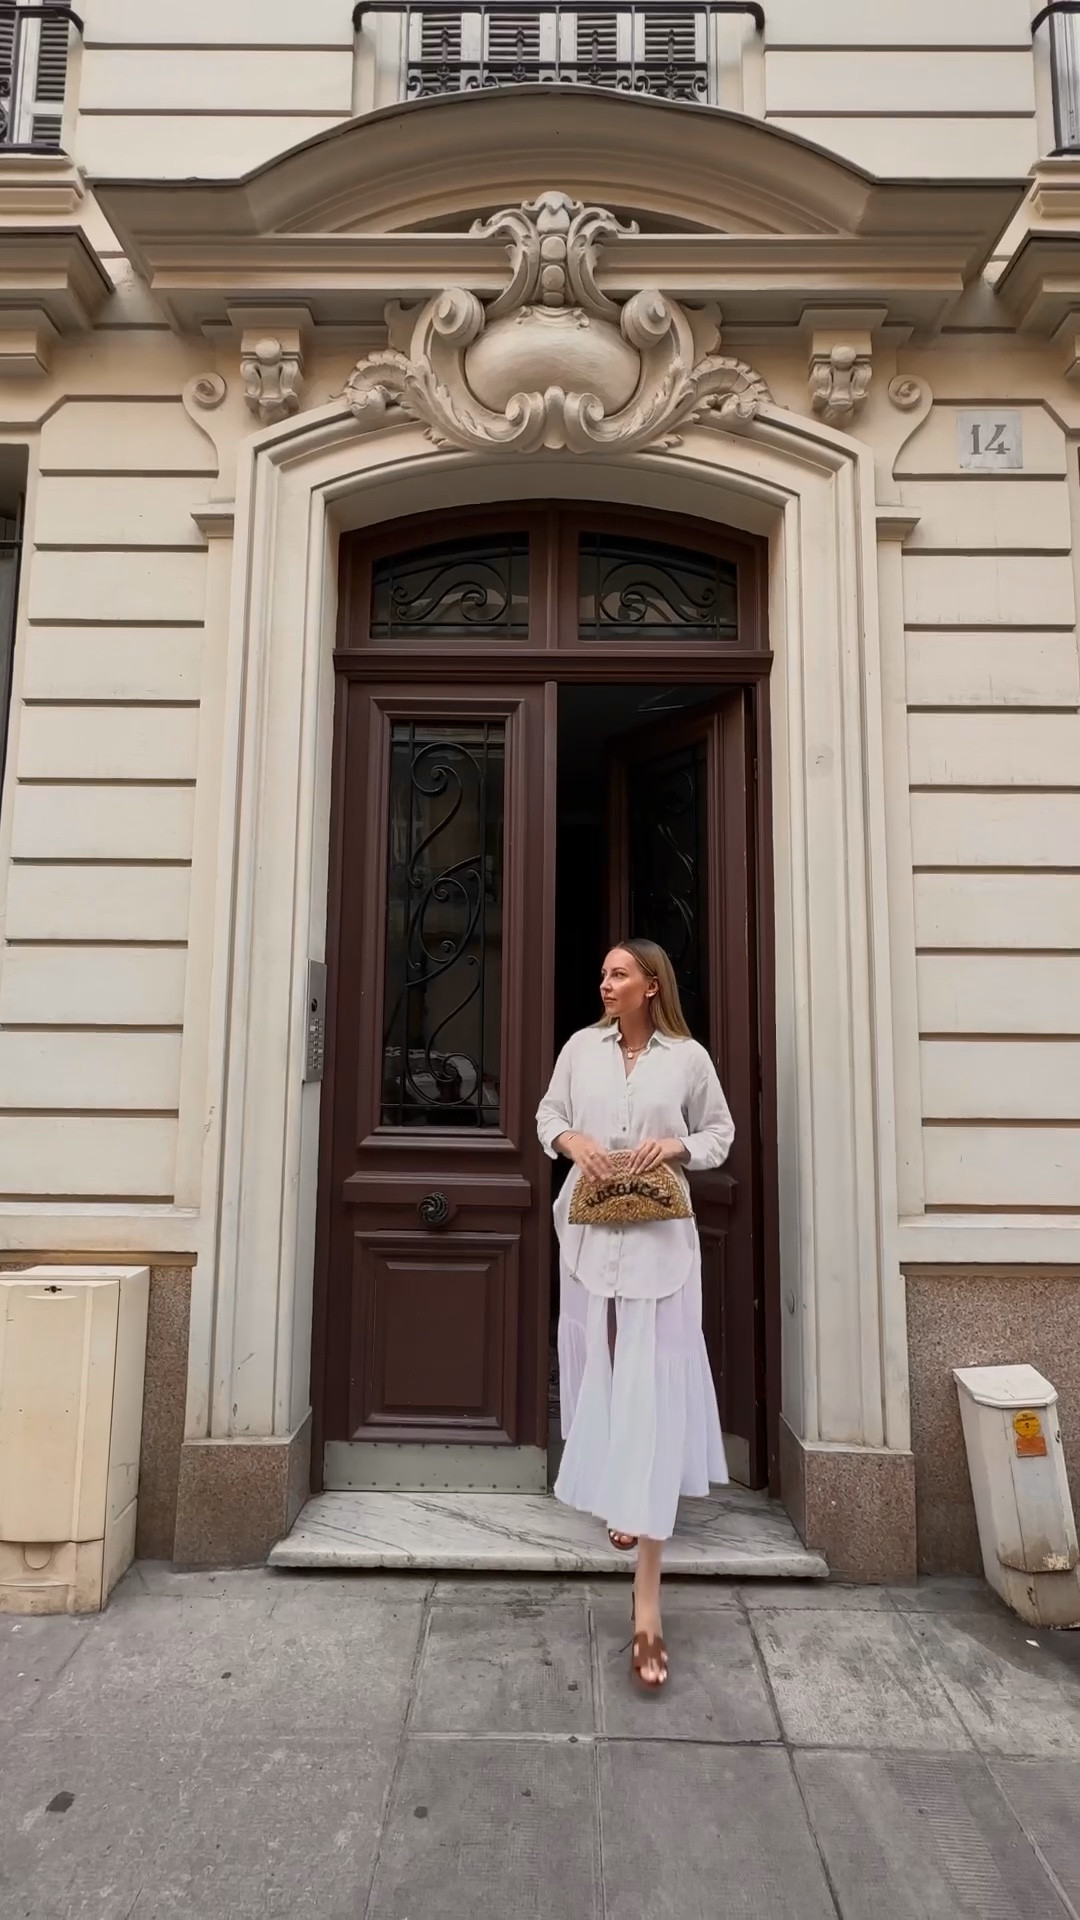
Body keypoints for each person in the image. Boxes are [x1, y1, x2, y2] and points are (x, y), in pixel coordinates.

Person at [536, 938, 735, 1692]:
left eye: (618, 973)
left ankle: (646, 1610)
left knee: (652, 1391)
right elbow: (546, 1113)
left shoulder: (687, 1058)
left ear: (652, 986)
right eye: (604, 971)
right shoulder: (580, 1050)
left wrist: (674, 1146)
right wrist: (573, 1139)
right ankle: (619, 1494)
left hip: (658, 1245)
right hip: (589, 1237)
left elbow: (720, 1135)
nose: (605, 981)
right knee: (602, 1372)